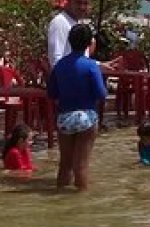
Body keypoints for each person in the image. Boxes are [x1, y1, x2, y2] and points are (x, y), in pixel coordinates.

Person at [46, 23, 107, 191]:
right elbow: (101, 94)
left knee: (65, 164)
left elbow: (51, 93)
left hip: (65, 117)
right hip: (86, 116)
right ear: (89, 43)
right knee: (81, 165)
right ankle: (81, 206)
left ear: (70, 41)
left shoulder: (60, 65)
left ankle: (59, 197)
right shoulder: (91, 66)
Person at [46, 0, 94, 67]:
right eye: (78, 2)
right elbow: (56, 61)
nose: (82, 7)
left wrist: (99, 65)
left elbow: (81, 60)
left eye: (85, 3)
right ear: (68, 0)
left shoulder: (76, 24)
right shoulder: (60, 23)